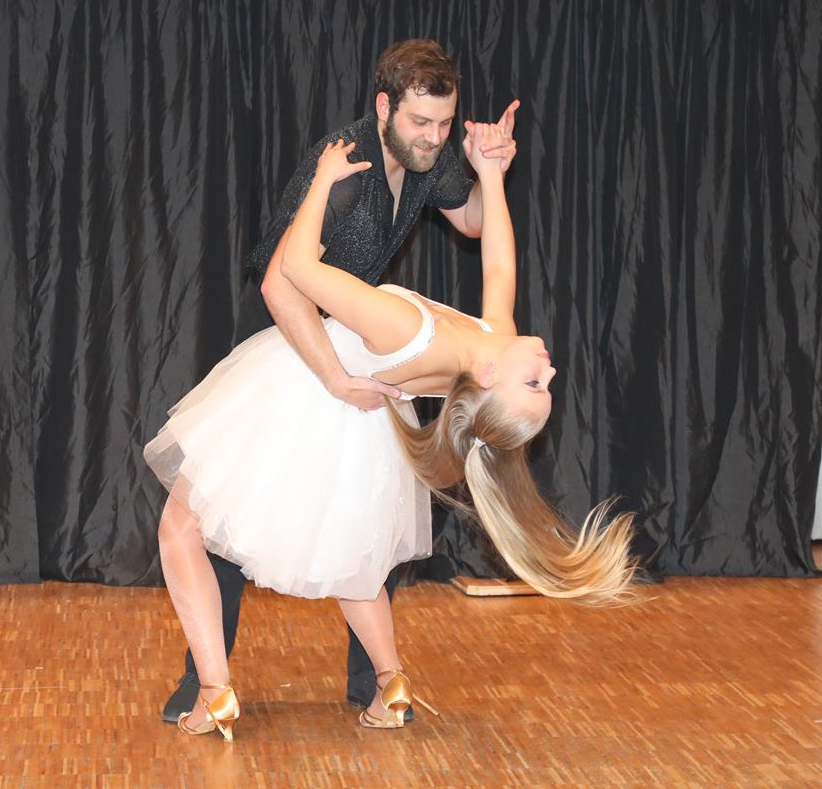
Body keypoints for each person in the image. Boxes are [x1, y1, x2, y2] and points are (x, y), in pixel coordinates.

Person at [146, 124, 637, 740]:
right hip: (361, 420)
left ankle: (213, 692)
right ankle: (390, 684)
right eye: (546, 384)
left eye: (535, 384)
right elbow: (499, 261)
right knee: (354, 561)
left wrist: (322, 182)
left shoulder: (405, 327)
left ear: (490, 381)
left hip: (310, 394)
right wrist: (489, 174)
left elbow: (294, 269)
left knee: (180, 530)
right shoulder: (491, 343)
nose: (551, 370)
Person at [163, 39, 522, 722]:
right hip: (298, 344)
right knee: (224, 519)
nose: (433, 137)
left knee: (356, 522)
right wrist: (331, 377)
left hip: (358, 352)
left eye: (445, 123)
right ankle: (210, 681)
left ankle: (341, 686)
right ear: (384, 107)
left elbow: (474, 221)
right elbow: (280, 284)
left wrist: (490, 166)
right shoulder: (347, 171)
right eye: (420, 122)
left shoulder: (424, 158)